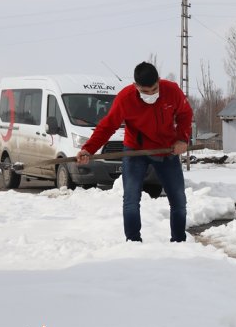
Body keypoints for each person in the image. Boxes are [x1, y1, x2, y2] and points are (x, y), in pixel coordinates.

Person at [76, 62, 193, 242]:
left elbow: (185, 114)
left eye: (154, 89)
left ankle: (179, 242)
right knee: (131, 200)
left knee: (178, 201)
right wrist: (88, 149)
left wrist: (182, 139)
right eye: (145, 92)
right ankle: (133, 242)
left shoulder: (172, 91)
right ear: (136, 86)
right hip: (135, 151)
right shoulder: (126, 98)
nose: (151, 94)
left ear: (159, 82)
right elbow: (107, 126)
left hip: (166, 150)